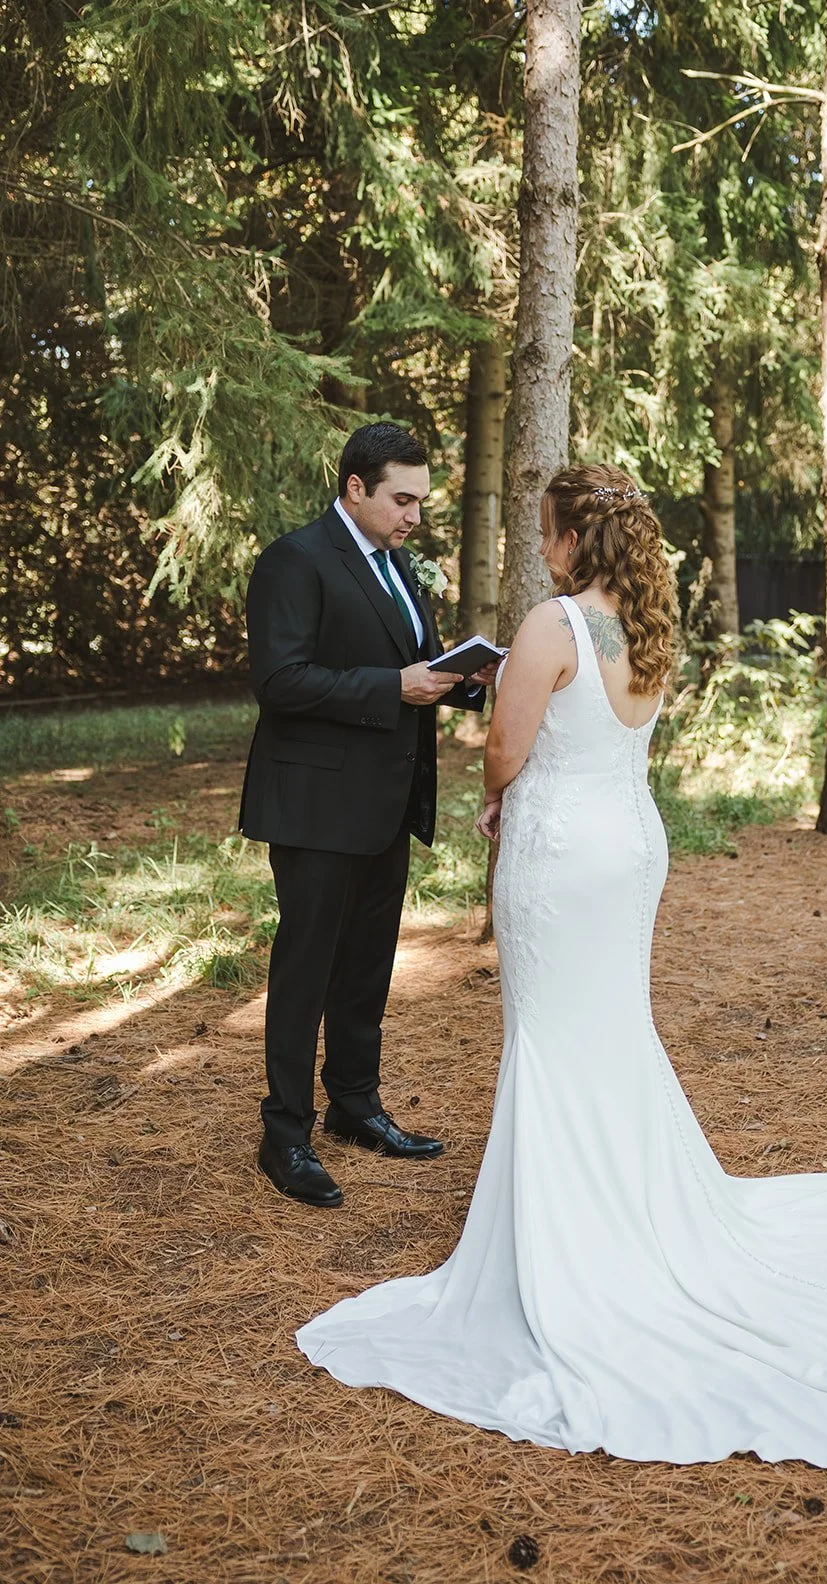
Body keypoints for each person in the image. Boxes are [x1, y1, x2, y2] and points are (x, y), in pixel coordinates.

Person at [295, 464, 827, 1477]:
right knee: (609, 1030)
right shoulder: (643, 625)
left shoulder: (552, 625)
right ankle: (626, 1208)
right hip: (627, 843)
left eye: (547, 532)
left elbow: (505, 749)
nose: (542, 548)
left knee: (550, 1037)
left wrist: (492, 797)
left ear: (575, 538)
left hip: (562, 852)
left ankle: (572, 1237)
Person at [240, 422, 497, 1208]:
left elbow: (409, 663)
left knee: (365, 968)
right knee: (306, 972)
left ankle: (354, 1106)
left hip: (387, 803)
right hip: (315, 806)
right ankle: (285, 1134)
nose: (414, 515)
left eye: (420, 501)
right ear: (355, 488)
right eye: (402, 499)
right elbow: (280, 680)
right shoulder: (294, 559)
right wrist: (394, 687)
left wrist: (463, 679)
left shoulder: (397, 565)